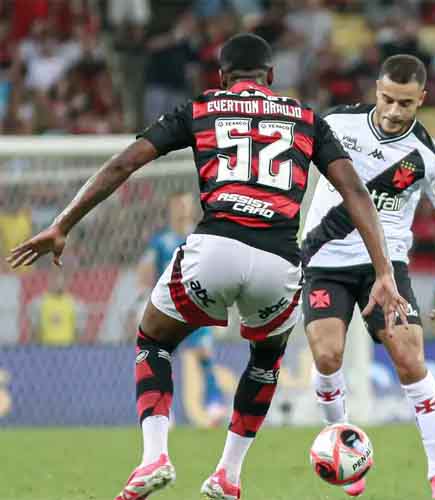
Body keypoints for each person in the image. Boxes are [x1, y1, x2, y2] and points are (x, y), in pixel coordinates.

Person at [7, 33, 407, 500]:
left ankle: (154, 456)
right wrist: (384, 271)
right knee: (265, 358)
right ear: (271, 77)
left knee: (153, 338)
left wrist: (62, 225)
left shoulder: (202, 108)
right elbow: (356, 193)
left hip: (216, 247)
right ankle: (227, 475)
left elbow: (122, 165)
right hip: (280, 263)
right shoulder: (305, 118)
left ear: (222, 76)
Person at [300, 54, 435, 499]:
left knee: (410, 358)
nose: (394, 112)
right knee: (327, 356)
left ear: (422, 100)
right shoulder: (335, 124)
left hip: (386, 269)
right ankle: (345, 453)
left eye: (406, 104)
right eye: (388, 99)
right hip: (324, 260)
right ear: (376, 90)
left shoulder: (426, 156)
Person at [137, 191, 225, 426]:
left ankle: (215, 404)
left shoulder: (199, 237)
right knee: (163, 356)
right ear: (171, 209)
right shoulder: (161, 241)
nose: (182, 210)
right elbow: (145, 271)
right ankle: (165, 411)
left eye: (186, 205)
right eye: (178, 205)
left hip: (198, 304)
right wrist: (144, 297)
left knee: (204, 354)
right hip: (170, 307)